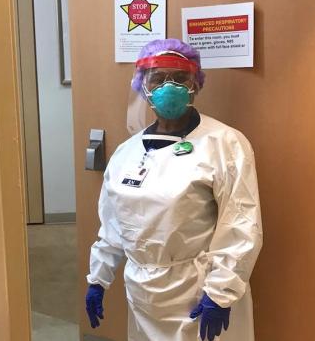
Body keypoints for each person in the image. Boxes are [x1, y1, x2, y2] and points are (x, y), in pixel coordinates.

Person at [85, 38, 263, 341]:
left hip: (198, 292)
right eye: (158, 78)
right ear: (143, 86)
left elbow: (241, 223)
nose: (170, 86)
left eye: (180, 77)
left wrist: (220, 292)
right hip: (143, 294)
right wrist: (98, 279)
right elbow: (113, 225)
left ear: (196, 82)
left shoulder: (225, 144)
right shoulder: (126, 153)